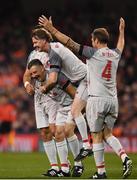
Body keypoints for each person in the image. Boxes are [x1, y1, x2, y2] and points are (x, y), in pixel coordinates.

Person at [38, 16, 132, 179]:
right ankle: (125, 158)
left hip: (97, 100)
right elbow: (120, 46)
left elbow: (70, 43)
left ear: (96, 40)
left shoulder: (93, 53)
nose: (92, 42)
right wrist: (121, 32)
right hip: (113, 100)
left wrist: (52, 30)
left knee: (96, 136)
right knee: (107, 134)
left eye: (92, 40)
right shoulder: (115, 55)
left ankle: (100, 172)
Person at [31, 27, 93, 160]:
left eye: (36, 42)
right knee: (67, 129)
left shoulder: (53, 54)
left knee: (78, 113)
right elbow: (68, 42)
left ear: (44, 40)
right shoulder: (55, 47)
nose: (34, 45)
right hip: (82, 81)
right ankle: (81, 164)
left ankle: (87, 146)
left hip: (85, 79)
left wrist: (43, 88)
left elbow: (53, 80)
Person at [27, 58, 84, 177]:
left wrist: (80, 108)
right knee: (57, 133)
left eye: (35, 72)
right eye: (31, 74)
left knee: (66, 132)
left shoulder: (57, 77)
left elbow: (74, 93)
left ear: (43, 68)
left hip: (72, 105)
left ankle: (78, 164)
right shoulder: (37, 82)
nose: (33, 76)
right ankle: (65, 169)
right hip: (61, 108)